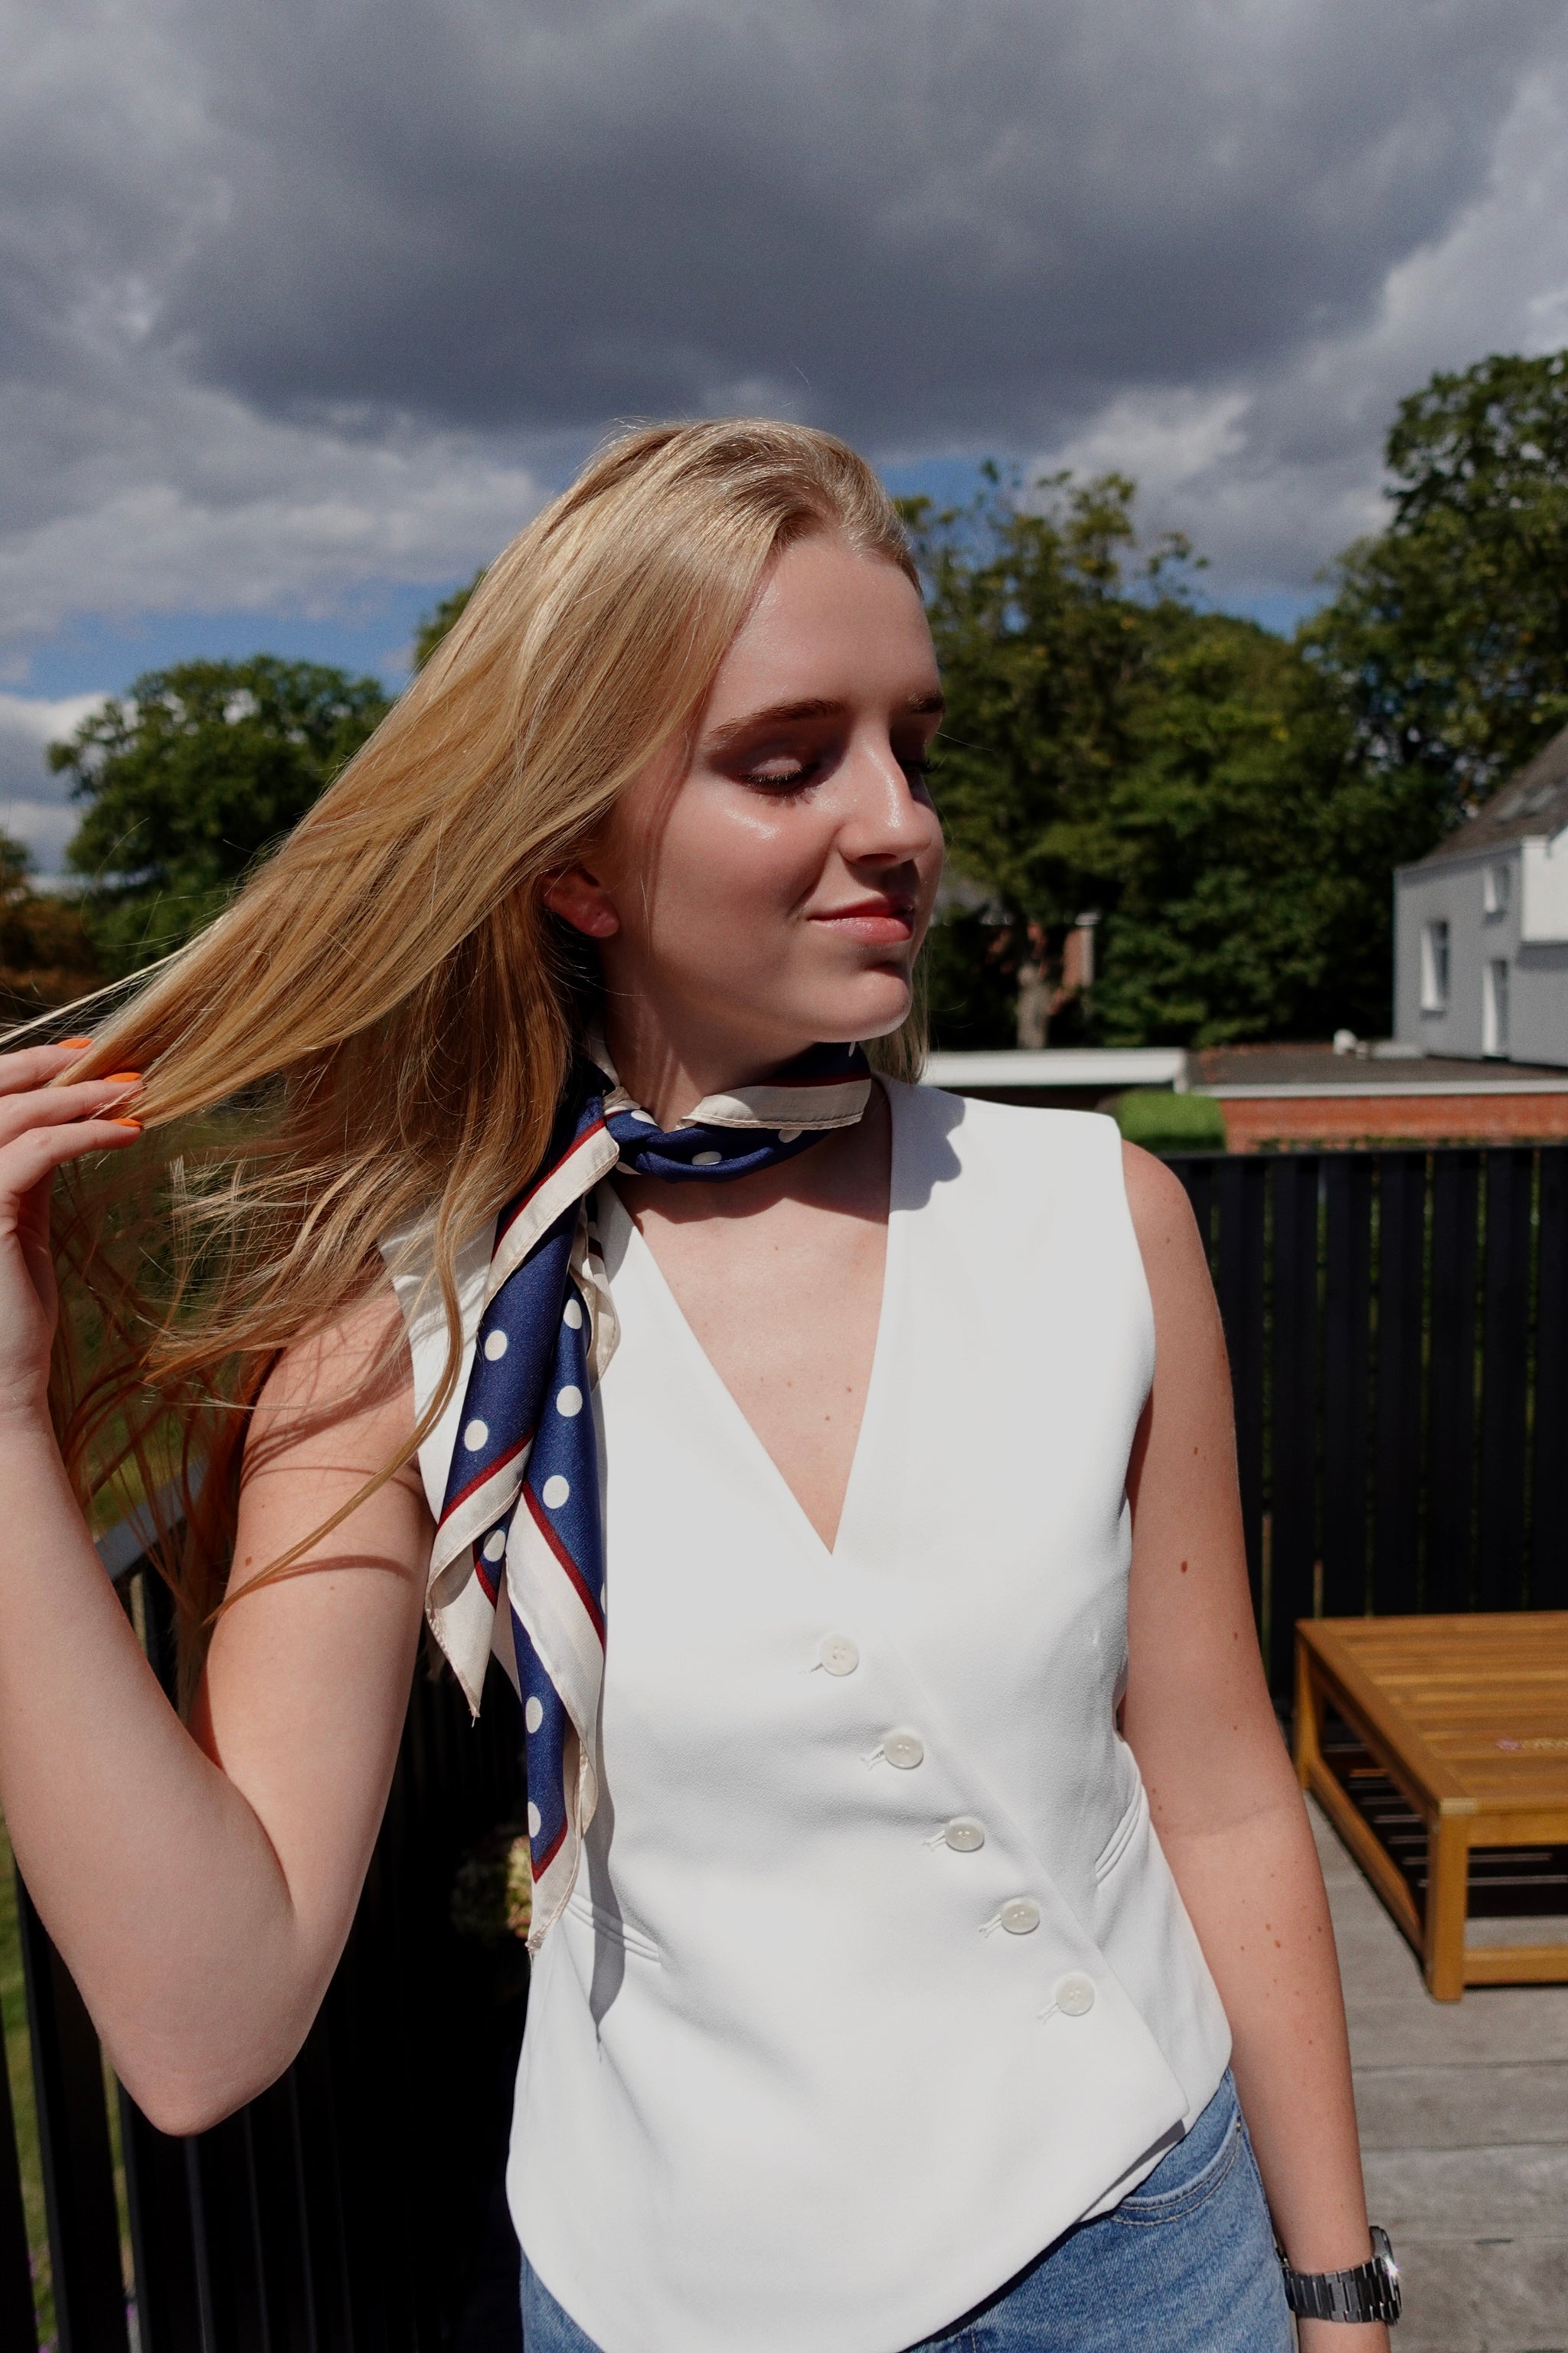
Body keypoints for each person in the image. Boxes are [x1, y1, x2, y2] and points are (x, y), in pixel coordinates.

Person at [0, 421, 1394, 2350]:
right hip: (672, 2301)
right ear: (575, 862)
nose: (900, 823)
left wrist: (1334, 2286)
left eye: (912, 746)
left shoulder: (1097, 1220)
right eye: (788, 758)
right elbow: (202, 2021)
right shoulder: (412, 1327)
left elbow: (1222, 1795)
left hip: (1153, 2257)